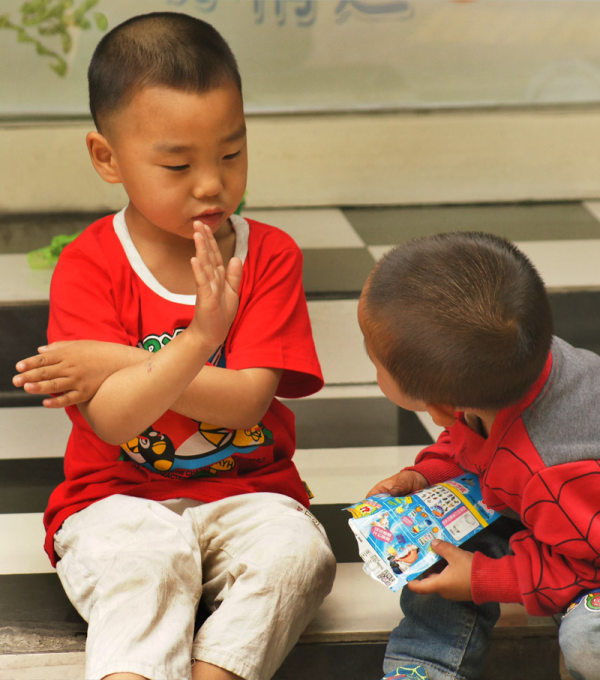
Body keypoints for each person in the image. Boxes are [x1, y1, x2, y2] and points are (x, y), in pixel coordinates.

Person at [12, 12, 335, 680]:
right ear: (107, 158)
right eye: (178, 164)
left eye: (231, 153)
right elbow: (113, 419)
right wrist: (201, 342)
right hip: (115, 502)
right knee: (148, 564)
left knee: (300, 556)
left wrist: (123, 359)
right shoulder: (89, 264)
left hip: (249, 493)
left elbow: (245, 404)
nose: (211, 183)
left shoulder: (269, 256)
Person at [357, 231, 600, 680]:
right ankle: (423, 669)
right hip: (558, 521)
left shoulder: (550, 465)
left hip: (587, 550)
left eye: (373, 361)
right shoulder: (512, 365)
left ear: (440, 407)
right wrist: (429, 474)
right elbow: (474, 442)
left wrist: (484, 579)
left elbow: (585, 565)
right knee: (437, 554)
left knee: (588, 641)